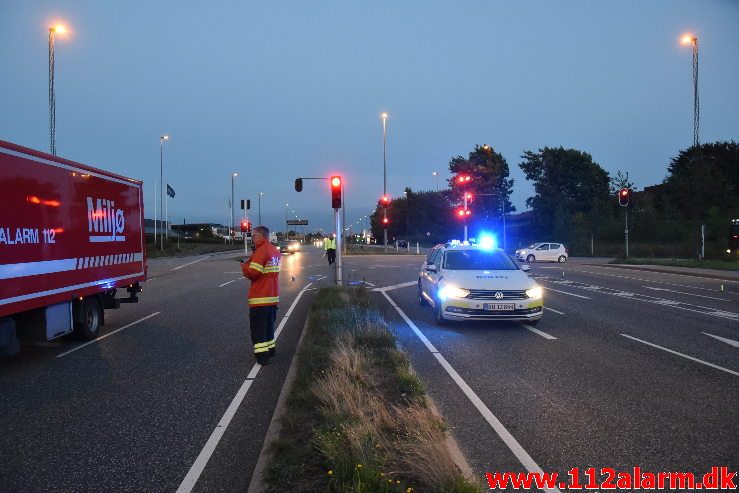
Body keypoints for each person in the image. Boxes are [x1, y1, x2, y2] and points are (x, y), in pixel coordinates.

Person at [241, 225, 280, 365]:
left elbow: (253, 273)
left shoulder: (261, 250)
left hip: (260, 297)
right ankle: (271, 350)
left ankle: (262, 357)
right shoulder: (274, 250)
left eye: (254, 235)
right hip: (272, 297)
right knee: (269, 326)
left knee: (258, 329)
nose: (252, 238)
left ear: (260, 235)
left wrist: (244, 266)